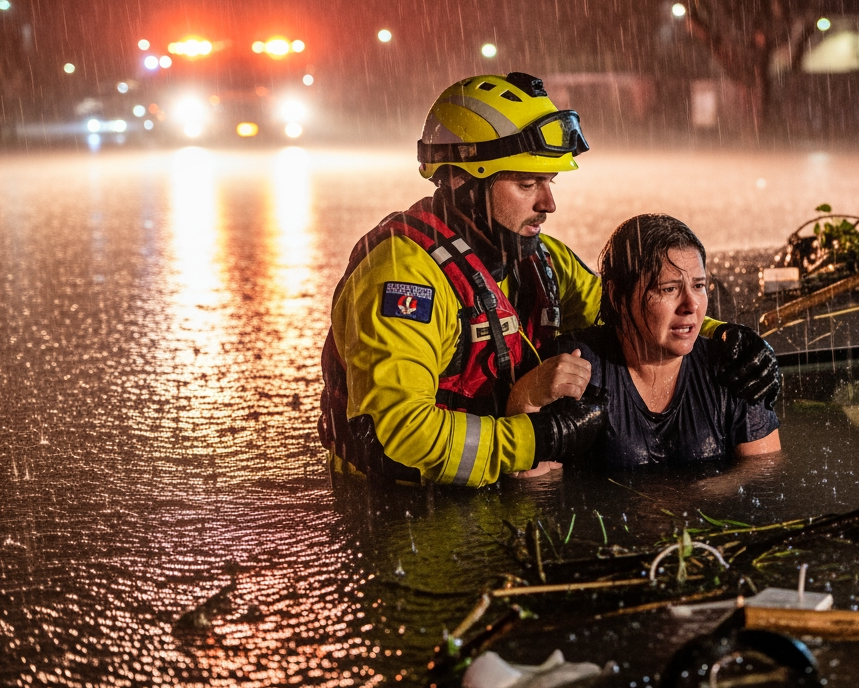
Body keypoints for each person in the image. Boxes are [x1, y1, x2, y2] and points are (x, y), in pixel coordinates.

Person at [320, 73, 781, 486]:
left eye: (549, 184)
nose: (548, 204)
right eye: (526, 184)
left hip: (494, 492)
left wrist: (725, 339)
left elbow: (630, 305)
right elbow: (394, 434)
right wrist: (537, 438)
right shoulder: (401, 278)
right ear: (462, 182)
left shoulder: (538, 258)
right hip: (395, 514)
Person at [551, 214, 781, 469]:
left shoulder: (735, 368)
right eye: (668, 289)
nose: (691, 305)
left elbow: (764, 475)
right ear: (617, 295)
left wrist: (706, 493)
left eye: (699, 286)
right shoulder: (578, 366)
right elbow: (538, 492)